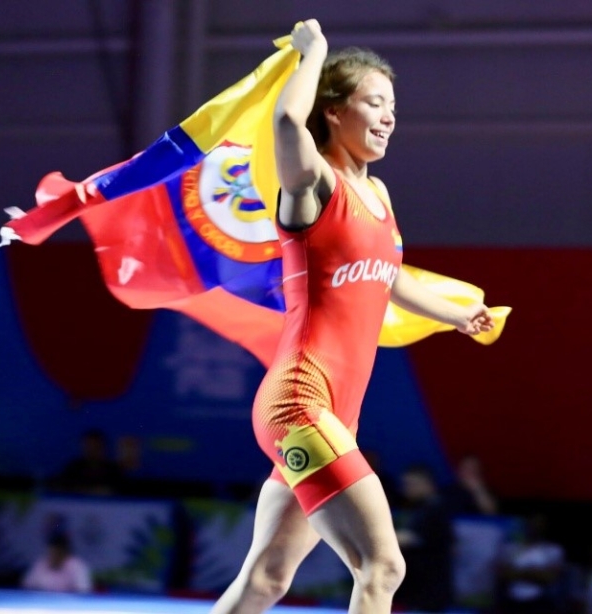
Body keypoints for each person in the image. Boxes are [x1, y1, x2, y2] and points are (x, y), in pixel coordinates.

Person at [210, 19, 494, 614]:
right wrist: (311, 54)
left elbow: (388, 281)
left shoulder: (379, 196)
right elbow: (287, 122)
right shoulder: (312, 185)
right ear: (334, 111)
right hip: (299, 402)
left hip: (337, 415)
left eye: (394, 106)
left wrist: (458, 316)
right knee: (384, 566)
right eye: (375, 102)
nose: (389, 117)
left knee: (266, 578)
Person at [394, 465, 455, 613]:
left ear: (427, 484)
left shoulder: (435, 508)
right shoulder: (417, 507)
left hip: (430, 592)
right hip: (416, 590)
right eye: (405, 484)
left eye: (411, 484)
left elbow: (407, 538)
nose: (406, 488)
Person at [496, 513, 565, 613]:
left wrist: (518, 572)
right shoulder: (511, 547)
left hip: (539, 602)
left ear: (544, 526)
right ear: (527, 524)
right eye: (533, 523)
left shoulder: (553, 550)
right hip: (512, 601)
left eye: (539, 523)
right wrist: (534, 572)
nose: (535, 526)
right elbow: (503, 574)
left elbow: (550, 577)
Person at [50, 429, 124, 496]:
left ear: (102, 447)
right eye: (89, 446)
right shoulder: (75, 466)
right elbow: (62, 485)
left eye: (96, 446)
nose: (92, 450)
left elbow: (120, 489)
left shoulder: (112, 468)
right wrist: (85, 490)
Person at [21, 532, 93, 593]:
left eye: (58, 553)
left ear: (65, 552)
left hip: (69, 605)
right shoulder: (42, 563)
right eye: (52, 552)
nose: (54, 556)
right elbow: (27, 586)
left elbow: (84, 591)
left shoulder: (77, 566)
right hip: (42, 604)